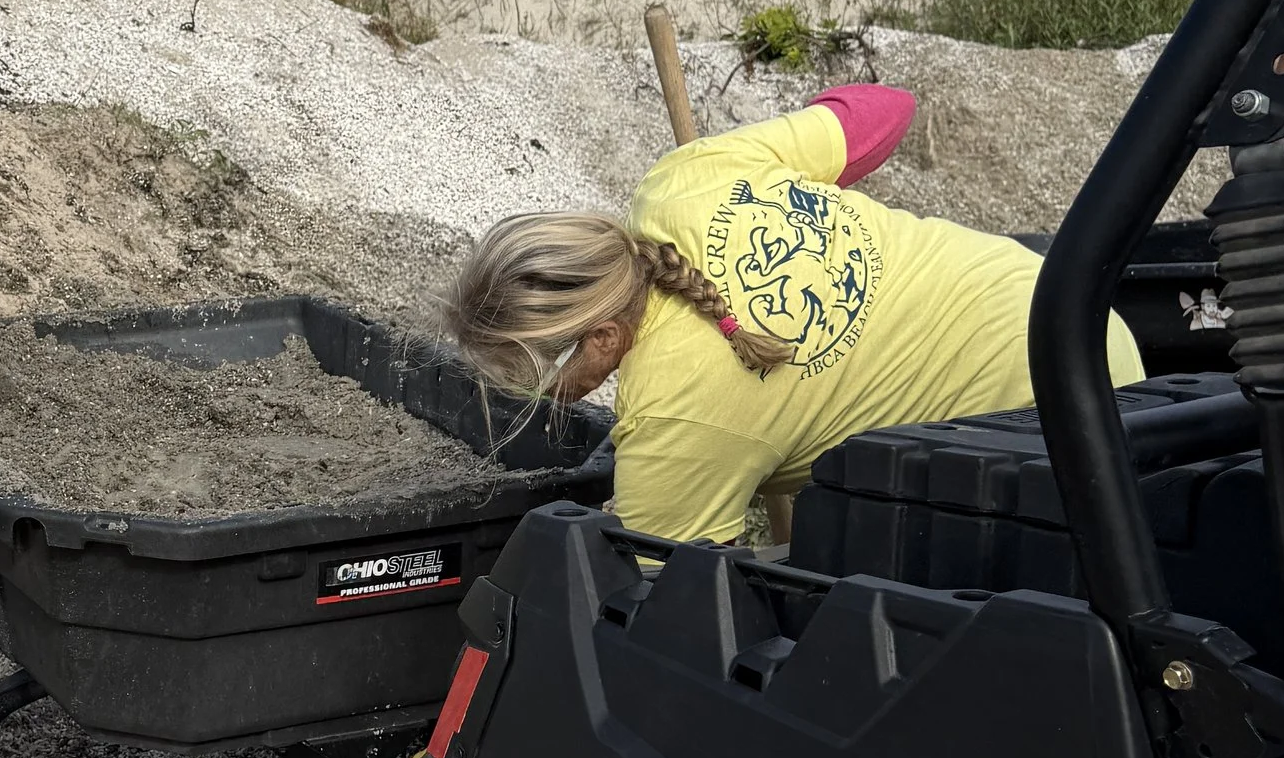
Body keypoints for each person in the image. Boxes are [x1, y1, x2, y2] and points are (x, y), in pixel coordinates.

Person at [447, 83, 1144, 546]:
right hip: (1073, 319)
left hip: (1042, 435)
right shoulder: (686, 177)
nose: (539, 398)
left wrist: (632, 525)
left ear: (601, 337)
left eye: (537, 377)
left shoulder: (674, 423)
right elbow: (887, 108)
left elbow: (674, 612)